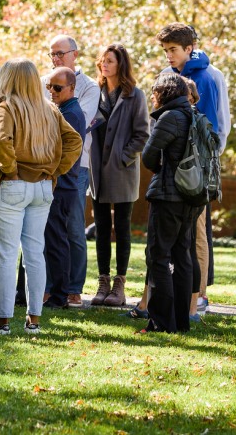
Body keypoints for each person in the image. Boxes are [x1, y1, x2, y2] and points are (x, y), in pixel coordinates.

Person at [0, 58, 82, 336]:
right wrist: (54, 170)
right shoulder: (49, 109)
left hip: (13, 186)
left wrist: (11, 169)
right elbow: (75, 141)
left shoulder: (6, 108)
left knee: (5, 256)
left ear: (9, 80)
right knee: (35, 254)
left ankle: (3, 322)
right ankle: (33, 321)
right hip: (42, 187)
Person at [156, 23, 230, 318]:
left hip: (198, 166)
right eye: (165, 50)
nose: (169, 56)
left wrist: (206, 160)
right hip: (171, 163)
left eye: (173, 50)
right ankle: (174, 292)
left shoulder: (210, 77)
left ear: (189, 48)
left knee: (197, 231)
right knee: (172, 233)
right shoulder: (169, 76)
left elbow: (216, 123)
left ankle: (198, 297)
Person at [89, 43, 150, 307]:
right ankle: (103, 282)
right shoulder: (95, 93)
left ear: (120, 64)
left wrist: (123, 157)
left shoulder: (134, 95)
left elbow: (142, 134)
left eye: (110, 61)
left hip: (123, 170)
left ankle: (120, 285)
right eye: (103, 60)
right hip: (97, 170)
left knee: (122, 227)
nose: (105, 64)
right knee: (101, 227)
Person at [139, 72, 197, 333]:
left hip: (168, 195)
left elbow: (149, 156)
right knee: (182, 255)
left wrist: (161, 168)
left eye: (154, 93)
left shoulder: (170, 117)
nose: (152, 97)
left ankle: (162, 323)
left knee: (158, 255)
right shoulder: (195, 115)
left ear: (163, 94)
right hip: (192, 197)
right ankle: (181, 321)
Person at [49, 35, 99, 307]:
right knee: (50, 230)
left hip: (76, 165)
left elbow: (75, 126)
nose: (56, 58)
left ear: (74, 54)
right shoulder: (48, 83)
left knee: (74, 229)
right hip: (48, 168)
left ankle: (74, 287)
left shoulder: (88, 87)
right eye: (52, 54)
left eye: (60, 53)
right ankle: (51, 286)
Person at [42, 67, 86, 309]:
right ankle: (52, 293)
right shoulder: (61, 110)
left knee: (57, 241)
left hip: (63, 185)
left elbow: (54, 150)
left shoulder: (71, 115)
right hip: (59, 184)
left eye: (57, 87)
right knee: (52, 240)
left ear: (71, 88)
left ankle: (60, 296)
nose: (52, 91)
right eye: (49, 86)